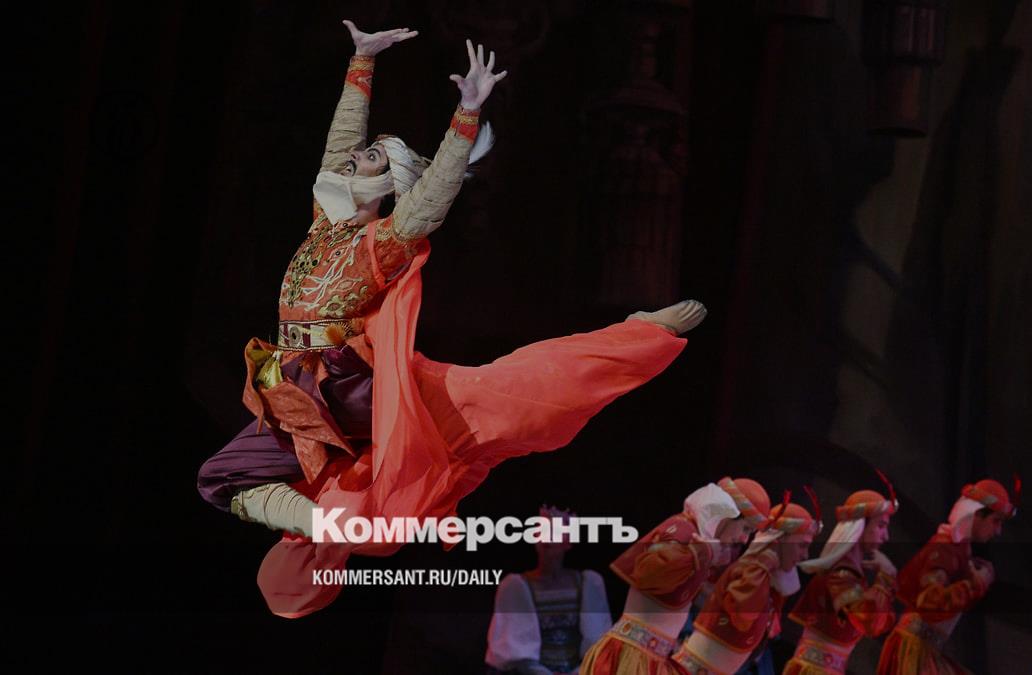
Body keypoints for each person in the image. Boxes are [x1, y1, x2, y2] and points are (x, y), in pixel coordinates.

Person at [195, 20, 707, 618]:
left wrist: (467, 112)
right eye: (362, 152)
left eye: (371, 156)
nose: (356, 155)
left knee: (507, 395)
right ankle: (329, 531)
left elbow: (433, 197)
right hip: (299, 389)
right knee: (489, 399)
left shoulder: (382, 243)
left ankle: (639, 336)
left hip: (341, 390)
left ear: (386, 185)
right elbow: (339, 146)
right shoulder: (325, 223)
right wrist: (362, 62)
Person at [579, 478, 771, 675]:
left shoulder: (697, 540)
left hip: (649, 659)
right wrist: (701, 554)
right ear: (727, 514)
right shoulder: (683, 529)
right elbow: (649, 573)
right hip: (631, 657)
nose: (744, 539)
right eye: (746, 528)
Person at [875, 477, 1016, 675]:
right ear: (976, 514)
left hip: (926, 650)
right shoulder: (945, 548)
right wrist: (976, 583)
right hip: (913, 652)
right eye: (996, 521)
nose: (998, 531)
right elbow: (931, 603)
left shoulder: (959, 549)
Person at [672, 495, 822, 675]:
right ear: (779, 540)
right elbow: (743, 618)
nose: (805, 555)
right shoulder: (753, 571)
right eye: (802, 546)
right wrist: (765, 564)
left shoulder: (767, 579)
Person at [784, 485, 898, 674]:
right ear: (860, 527)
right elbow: (870, 623)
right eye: (880, 526)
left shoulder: (849, 572)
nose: (886, 536)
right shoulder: (841, 574)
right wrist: (886, 577)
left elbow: (882, 622)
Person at [486, 506, 613, 675]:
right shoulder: (516, 587)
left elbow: (599, 644)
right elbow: (515, 650)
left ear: (568, 542)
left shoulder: (587, 583)